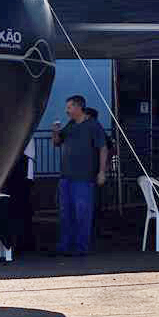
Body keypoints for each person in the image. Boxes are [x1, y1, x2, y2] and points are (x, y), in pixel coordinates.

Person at [51, 95, 108, 256]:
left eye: (69, 107)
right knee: (65, 212)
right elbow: (57, 143)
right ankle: (65, 246)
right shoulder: (70, 125)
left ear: (78, 107)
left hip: (84, 177)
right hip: (66, 177)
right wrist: (55, 132)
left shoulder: (93, 126)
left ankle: (80, 247)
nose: (66, 110)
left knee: (82, 213)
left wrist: (101, 171)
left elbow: (103, 148)